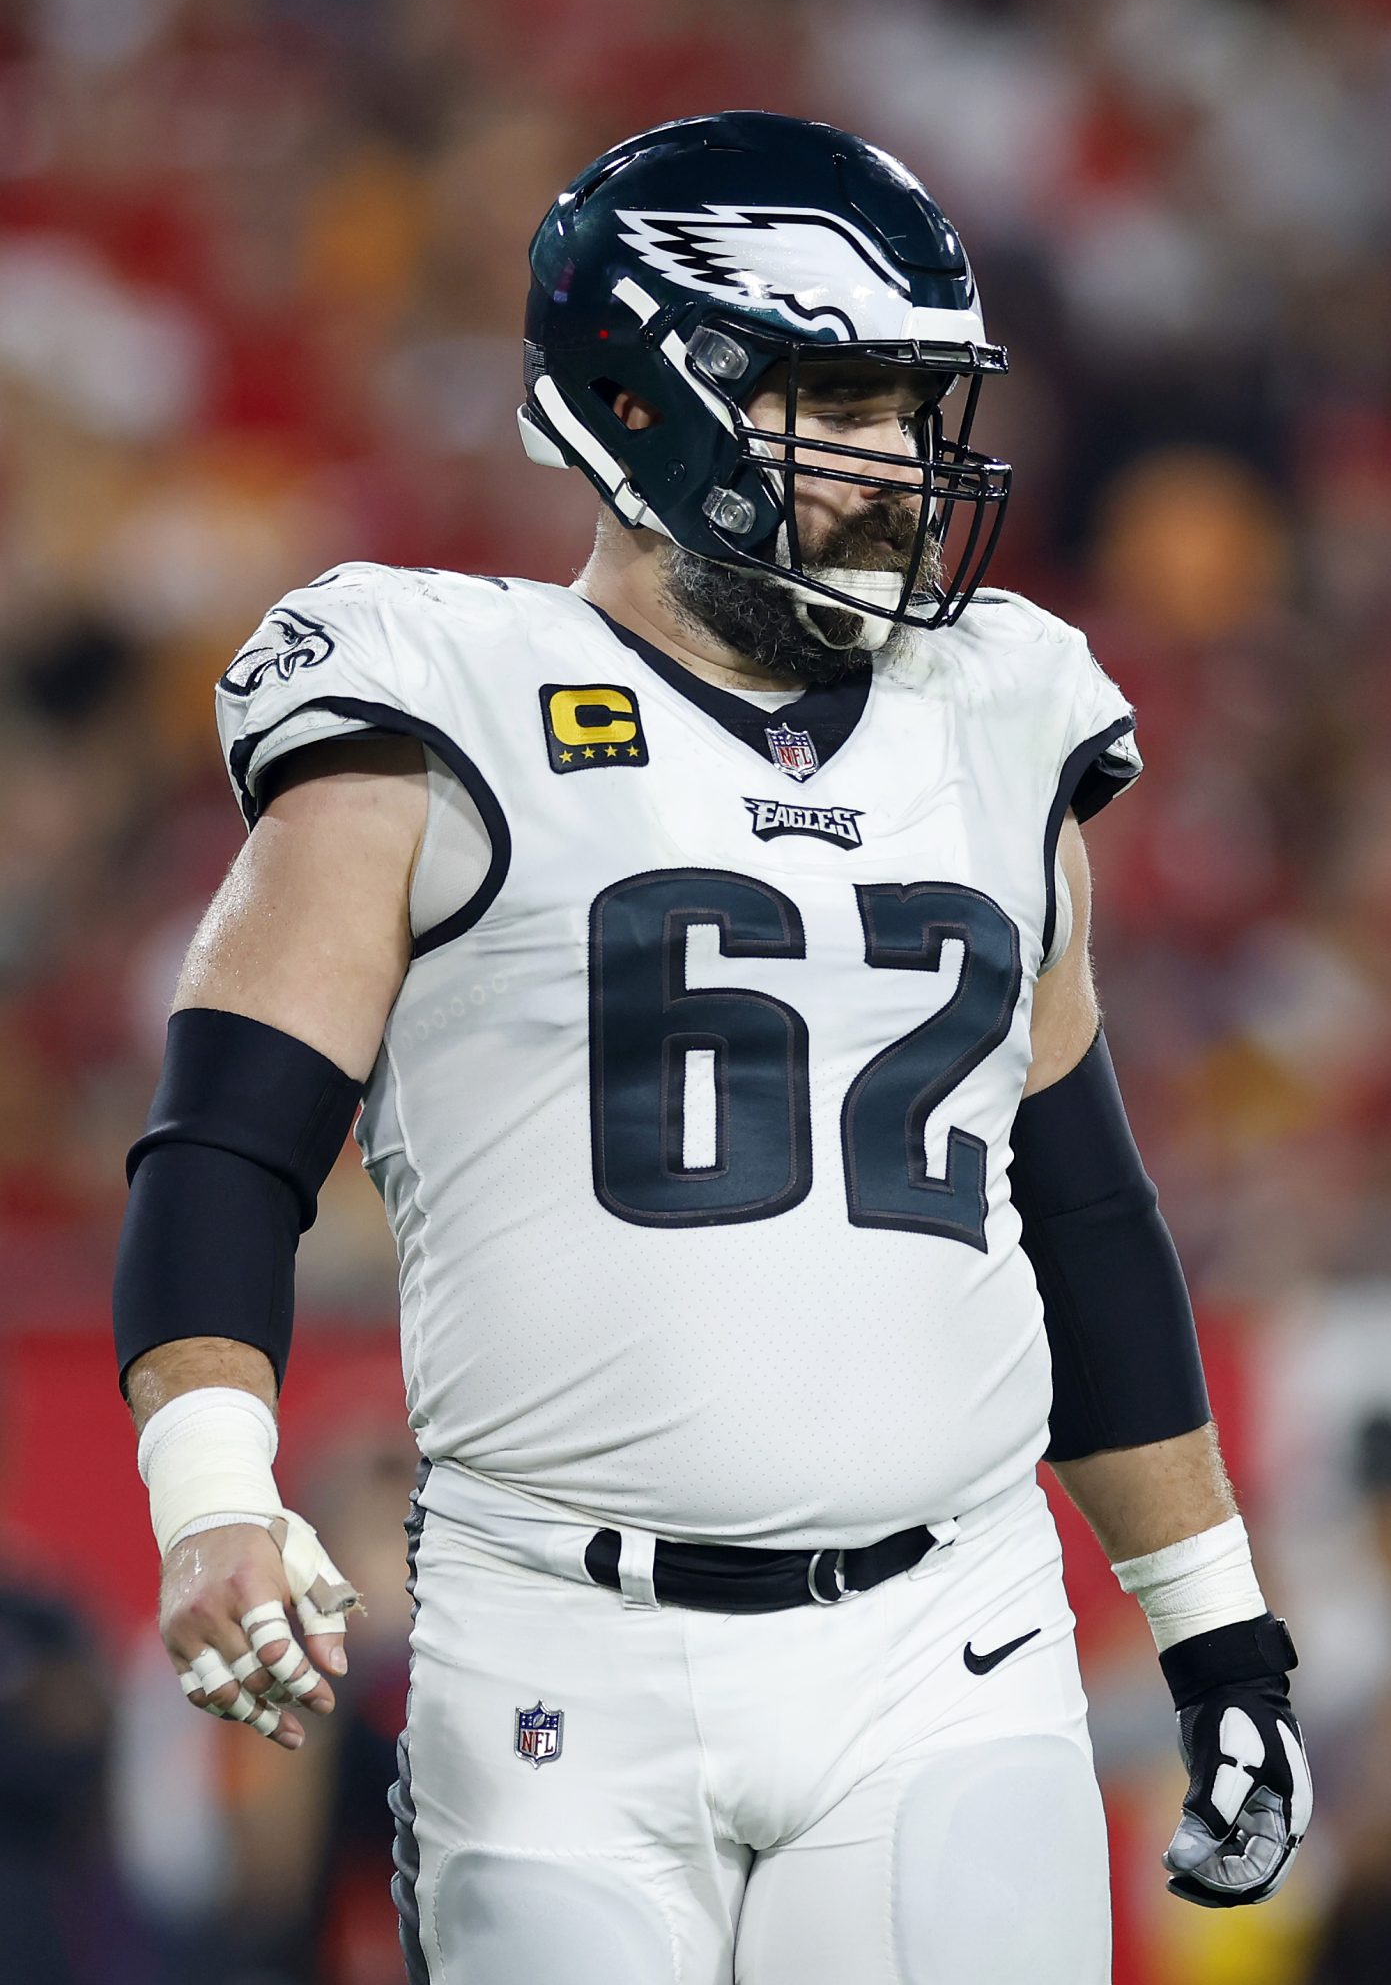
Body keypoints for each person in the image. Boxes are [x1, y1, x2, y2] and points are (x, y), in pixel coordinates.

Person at [113, 112, 1312, 1984]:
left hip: (951, 1633)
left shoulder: (1002, 712)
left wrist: (1221, 1635)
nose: (908, 473)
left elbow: (1078, 1211)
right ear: (653, 395)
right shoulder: (436, 698)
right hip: (556, 1642)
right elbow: (225, 1148)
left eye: (920, 415)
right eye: (847, 406)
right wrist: (212, 1496)